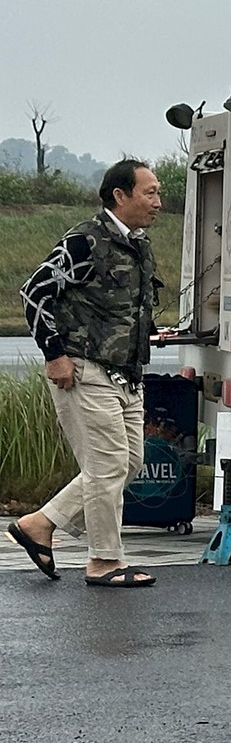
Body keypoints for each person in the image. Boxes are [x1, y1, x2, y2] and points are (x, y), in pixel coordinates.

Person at [8, 160, 167, 587]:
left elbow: (119, 307)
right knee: (107, 466)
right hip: (83, 370)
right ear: (120, 195)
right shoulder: (85, 241)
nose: (158, 201)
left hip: (127, 374)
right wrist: (54, 354)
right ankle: (103, 562)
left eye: (158, 192)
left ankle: (40, 523)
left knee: (129, 463)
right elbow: (34, 292)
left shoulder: (138, 243)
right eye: (149, 192)